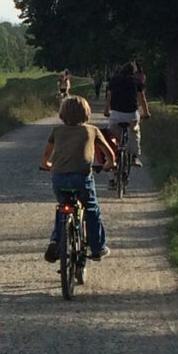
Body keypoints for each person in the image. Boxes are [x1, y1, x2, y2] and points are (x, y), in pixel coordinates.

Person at [39, 95, 114, 267]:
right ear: (86, 113)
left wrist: (48, 165)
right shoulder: (93, 130)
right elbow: (109, 154)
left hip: (59, 179)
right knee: (92, 209)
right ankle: (98, 248)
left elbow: (45, 158)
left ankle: (56, 242)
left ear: (62, 113)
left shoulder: (56, 131)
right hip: (81, 178)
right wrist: (109, 164)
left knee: (62, 208)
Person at [105, 62, 149, 166]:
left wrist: (106, 111)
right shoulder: (136, 81)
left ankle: (111, 163)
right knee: (134, 132)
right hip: (131, 115)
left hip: (116, 114)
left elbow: (109, 97)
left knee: (111, 135)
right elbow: (141, 98)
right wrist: (146, 112)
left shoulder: (114, 80)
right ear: (134, 71)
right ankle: (134, 157)